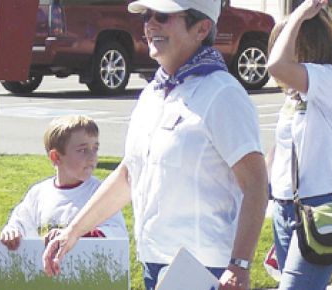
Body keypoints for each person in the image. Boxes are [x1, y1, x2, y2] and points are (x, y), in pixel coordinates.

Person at [43, 0, 269, 289]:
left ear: (202, 28)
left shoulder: (223, 94)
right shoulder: (152, 93)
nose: (150, 25)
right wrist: (72, 232)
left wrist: (239, 265)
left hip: (207, 270)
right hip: (156, 263)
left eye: (163, 16)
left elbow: (256, 185)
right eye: (147, 16)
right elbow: (129, 174)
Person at [267, 0, 332, 288]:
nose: (277, 50)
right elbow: (281, 148)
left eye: (284, 41)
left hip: (321, 206)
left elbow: (276, 66)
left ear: (306, 43)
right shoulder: (297, 93)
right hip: (285, 207)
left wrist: (297, 16)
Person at [0, 115, 127, 251]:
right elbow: (20, 223)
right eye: (82, 150)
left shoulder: (101, 192)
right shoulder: (39, 193)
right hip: (45, 269)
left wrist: (75, 235)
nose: (92, 157)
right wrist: (12, 232)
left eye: (95, 148)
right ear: (56, 157)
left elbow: (116, 233)